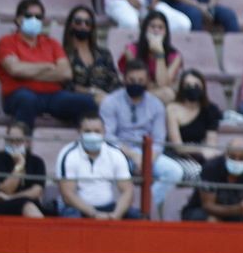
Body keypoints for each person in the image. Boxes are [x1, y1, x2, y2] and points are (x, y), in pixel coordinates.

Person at [0, 0, 98, 130]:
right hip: (19, 95)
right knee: (27, 99)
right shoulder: (6, 41)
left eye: (38, 17)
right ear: (18, 19)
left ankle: (84, 146)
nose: (34, 20)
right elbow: (15, 69)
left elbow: (66, 73)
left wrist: (26, 71)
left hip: (53, 96)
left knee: (87, 103)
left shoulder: (52, 43)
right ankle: (23, 147)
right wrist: (46, 66)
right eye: (29, 16)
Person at [100, 58, 184, 213]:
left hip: (148, 153)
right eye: (132, 80)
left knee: (174, 172)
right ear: (124, 79)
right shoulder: (110, 102)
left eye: (140, 80)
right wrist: (132, 155)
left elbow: (159, 140)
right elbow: (108, 136)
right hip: (118, 152)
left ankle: (143, 207)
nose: (136, 84)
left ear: (147, 82)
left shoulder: (156, 104)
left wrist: (146, 160)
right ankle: (115, 208)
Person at [55, 114, 138, 219]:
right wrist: (94, 214)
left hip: (109, 207)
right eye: (87, 131)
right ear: (79, 132)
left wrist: (116, 215)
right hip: (77, 208)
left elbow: (127, 191)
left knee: (136, 216)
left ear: (104, 132)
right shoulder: (68, 154)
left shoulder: (116, 153)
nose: (92, 135)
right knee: (71, 216)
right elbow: (67, 195)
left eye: (97, 131)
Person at [183, 136, 243, 223]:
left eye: (242, 158)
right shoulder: (211, 167)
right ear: (225, 154)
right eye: (232, 157)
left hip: (236, 213)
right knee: (213, 220)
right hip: (200, 211)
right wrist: (237, 209)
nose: (237, 161)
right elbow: (208, 206)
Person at [164, 69, 222, 181]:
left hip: (200, 155)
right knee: (199, 173)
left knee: (219, 170)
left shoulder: (211, 110)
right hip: (176, 156)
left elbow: (211, 145)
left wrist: (206, 153)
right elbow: (178, 147)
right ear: (181, 87)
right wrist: (200, 150)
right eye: (188, 85)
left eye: (196, 85)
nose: (192, 88)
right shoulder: (172, 109)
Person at [0, 122, 47, 219]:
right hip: (0, 207)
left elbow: (36, 191)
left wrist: (10, 198)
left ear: (28, 142)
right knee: (27, 205)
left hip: (28, 204)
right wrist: (19, 165)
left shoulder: (37, 162)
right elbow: (7, 189)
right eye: (10, 141)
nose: (14, 145)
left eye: (18, 141)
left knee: (50, 212)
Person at [119, 10, 182, 104]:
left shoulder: (175, 56)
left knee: (168, 94)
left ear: (166, 32)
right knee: (167, 94)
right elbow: (137, 80)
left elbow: (163, 84)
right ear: (145, 29)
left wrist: (159, 52)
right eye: (152, 26)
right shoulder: (131, 50)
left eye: (160, 27)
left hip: (160, 93)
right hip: (136, 90)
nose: (156, 30)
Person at [62, 6, 119, 106]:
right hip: (76, 101)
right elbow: (65, 85)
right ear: (71, 24)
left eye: (87, 23)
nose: (83, 26)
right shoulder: (63, 53)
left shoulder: (103, 54)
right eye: (78, 22)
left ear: (92, 27)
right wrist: (91, 91)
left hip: (106, 100)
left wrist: (108, 96)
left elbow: (114, 81)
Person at [100, 0, 192, 35]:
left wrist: (154, 0)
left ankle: (164, 57)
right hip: (120, 0)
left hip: (147, 4)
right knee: (129, 22)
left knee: (182, 23)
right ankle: (131, 62)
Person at [159, 0, 241, 34]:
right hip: (179, 3)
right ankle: (197, 52)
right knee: (195, 14)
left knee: (229, 15)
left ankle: (236, 52)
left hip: (205, 3)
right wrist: (197, 6)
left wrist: (211, 7)